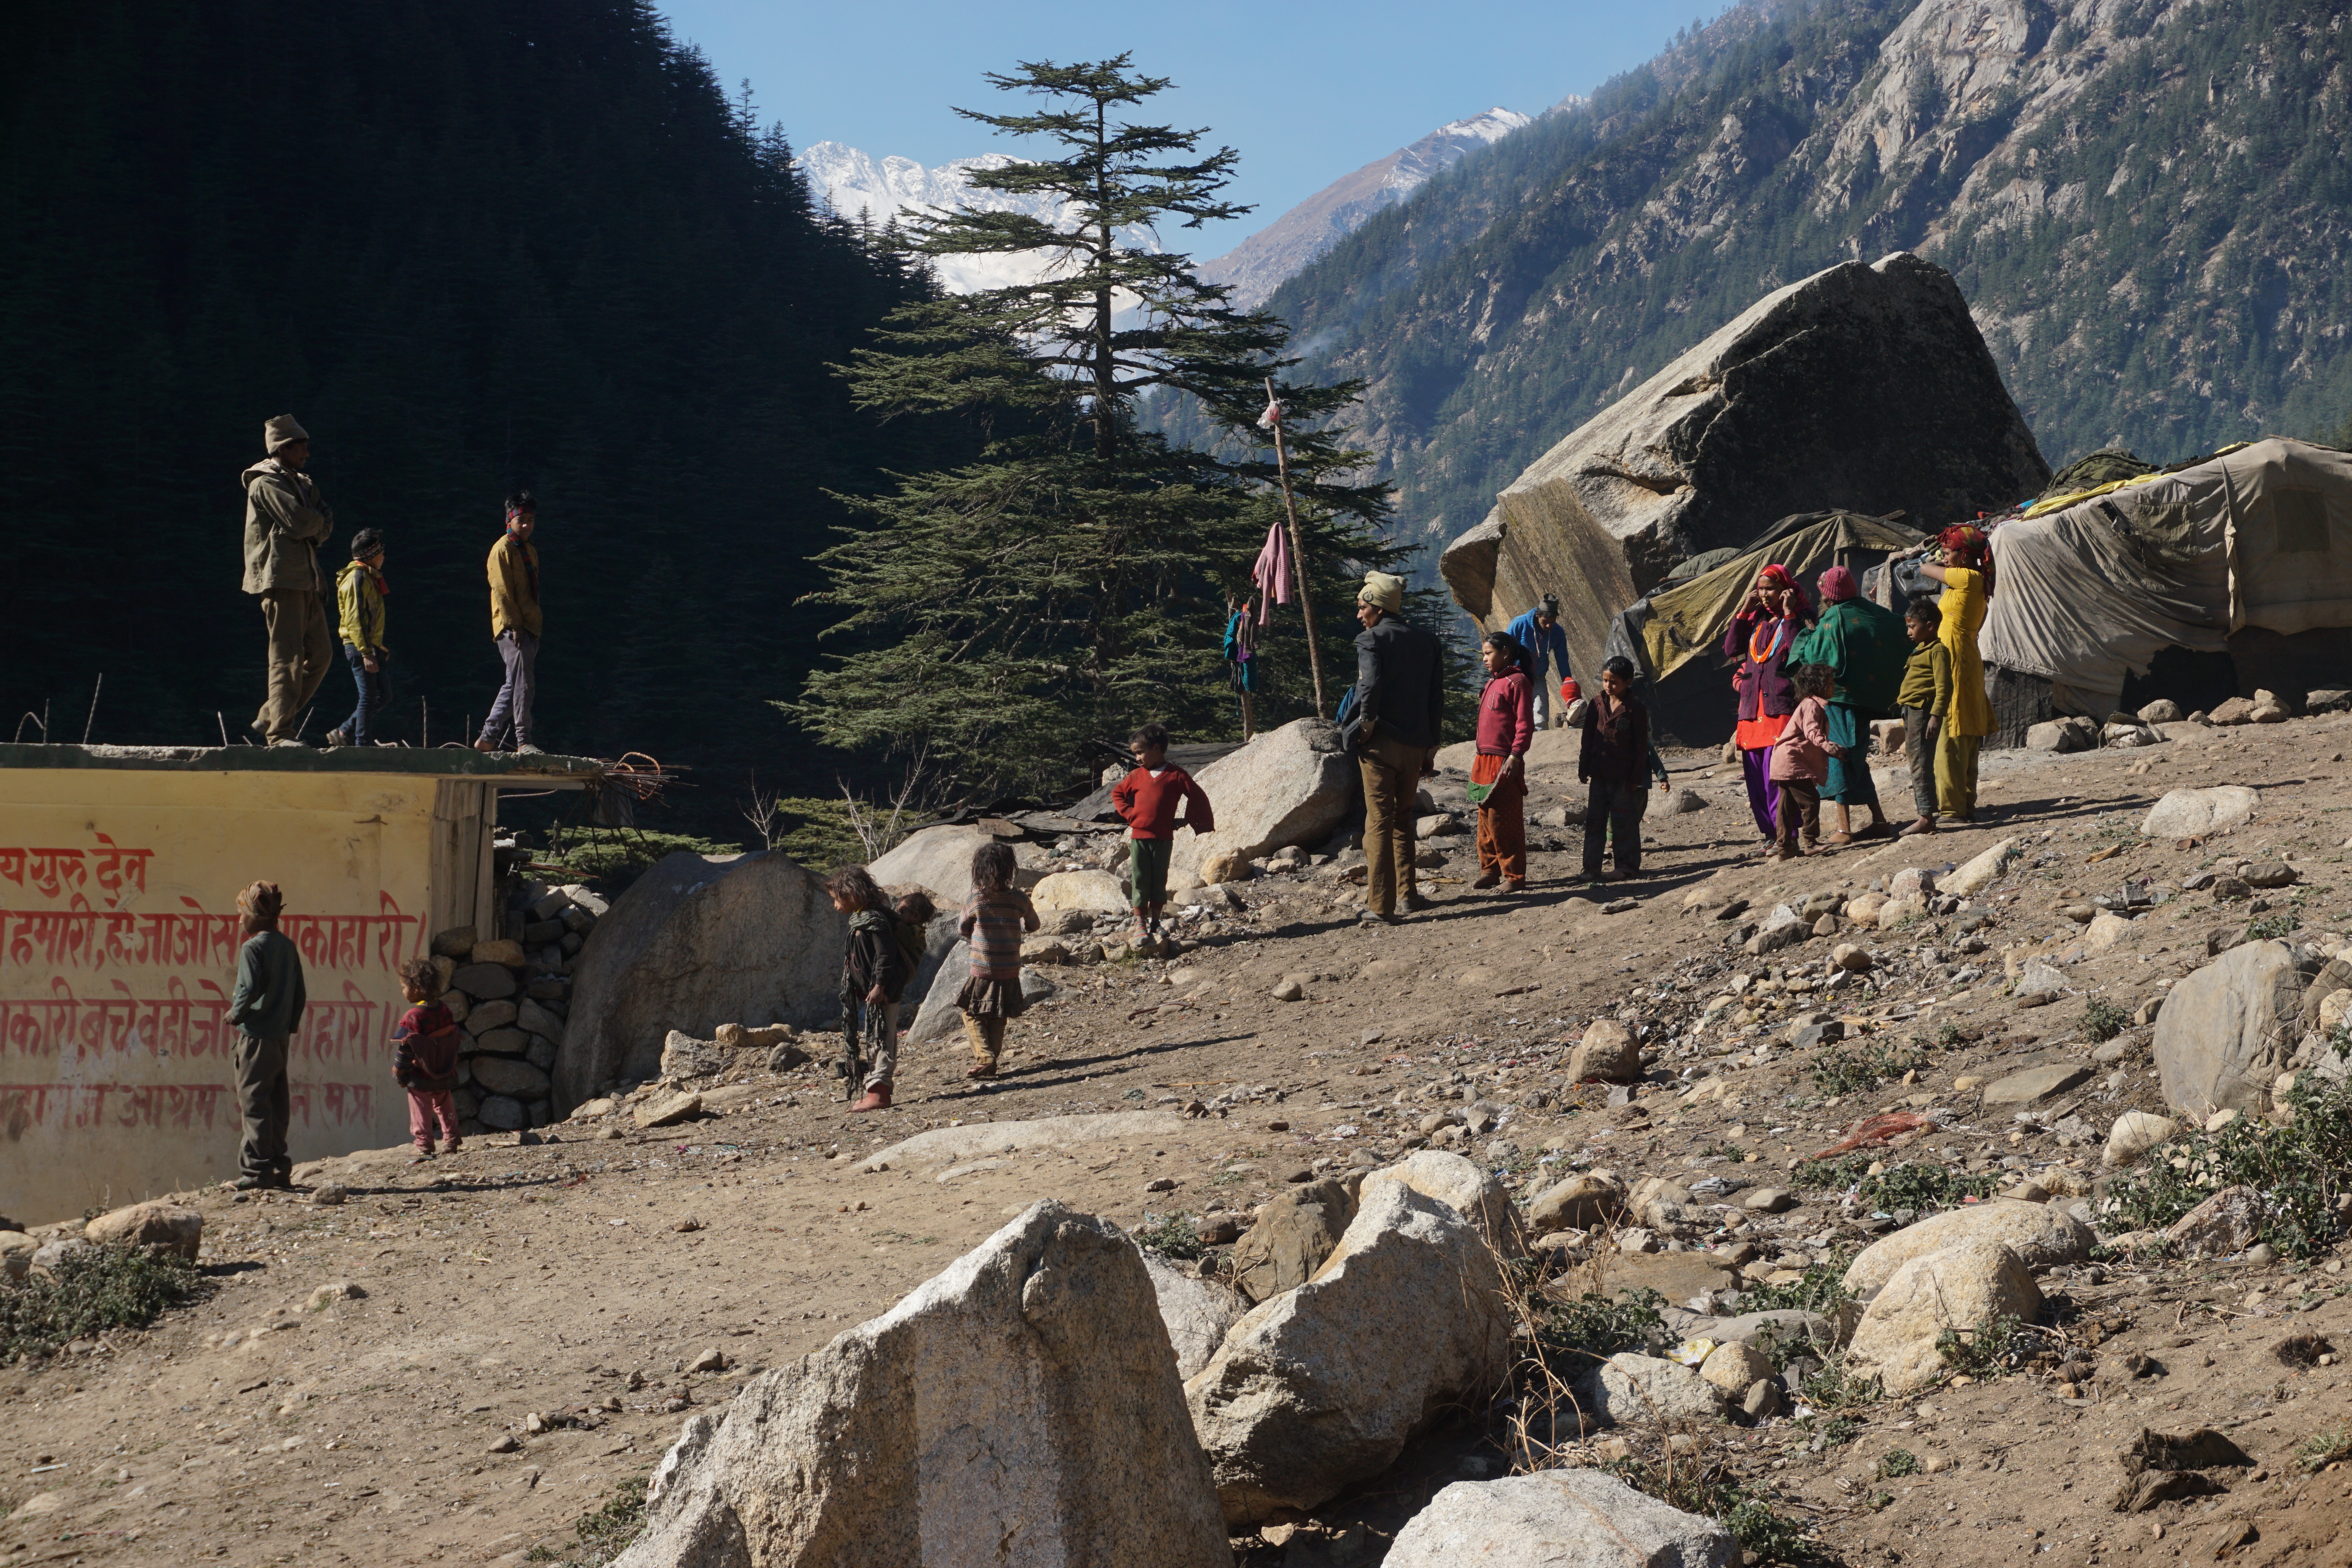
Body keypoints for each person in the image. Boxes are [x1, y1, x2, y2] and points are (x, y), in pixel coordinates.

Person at [1344, 571, 1446, 926]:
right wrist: (1432, 745)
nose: (1359, 615)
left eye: (1362, 607)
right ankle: (1408, 895)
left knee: (1379, 821)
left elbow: (1369, 686)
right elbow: (1436, 697)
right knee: (1403, 820)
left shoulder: (1371, 640)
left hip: (1381, 745)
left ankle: (1379, 905)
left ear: (1376, 606)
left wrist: (1367, 724)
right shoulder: (1428, 642)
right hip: (1417, 745)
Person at [1792, 564, 1909, 843]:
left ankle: (1843, 829)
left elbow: (1813, 656)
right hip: (1868, 699)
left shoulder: (1833, 618)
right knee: (1856, 758)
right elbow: (1899, 631)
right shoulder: (1875, 613)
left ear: (1827, 594)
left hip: (1840, 699)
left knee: (1840, 755)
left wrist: (1808, 634)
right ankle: (1879, 820)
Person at [241, 416, 336, 746]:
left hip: (308, 578)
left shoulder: (301, 483)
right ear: (283, 448)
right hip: (281, 578)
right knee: (287, 657)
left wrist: (314, 522)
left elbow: (326, 523)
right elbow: (300, 522)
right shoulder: (265, 483)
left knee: (321, 655)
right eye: (301, 446)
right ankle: (279, 732)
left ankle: (271, 714)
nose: (307, 453)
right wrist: (314, 520)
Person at [1724, 563, 1813, 845]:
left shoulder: (1802, 618)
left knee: (1777, 778)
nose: (1764, 594)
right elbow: (1730, 649)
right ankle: (1769, 835)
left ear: (1786, 589)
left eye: (1770, 588)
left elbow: (1799, 652)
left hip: (1780, 710)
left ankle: (1787, 834)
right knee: (1755, 781)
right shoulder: (1757, 621)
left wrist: (1788, 614)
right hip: (1751, 712)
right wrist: (1743, 611)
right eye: (1761, 589)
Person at [223, 880, 305, 1189]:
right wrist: (288, 1025)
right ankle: (279, 1169)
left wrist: (236, 1013)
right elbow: (300, 993)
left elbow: (247, 988)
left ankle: (256, 1174)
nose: (239, 920)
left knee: (254, 1103)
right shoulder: (287, 946)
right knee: (276, 1101)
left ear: (254, 914)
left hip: (256, 1037)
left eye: (240, 913)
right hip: (279, 1038)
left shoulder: (253, 947)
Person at [1916, 525, 1995, 824]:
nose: (1944, 558)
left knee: (1950, 733)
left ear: (1965, 554)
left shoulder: (1966, 577)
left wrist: (1922, 556)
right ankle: (1965, 803)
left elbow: (1925, 568)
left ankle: (1952, 809)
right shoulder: (1977, 581)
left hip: (1956, 659)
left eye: (1949, 553)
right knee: (1964, 732)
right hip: (1964, 655)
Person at [1111, 722, 1216, 945]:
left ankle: (1156, 922)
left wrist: (1188, 820)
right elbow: (1117, 793)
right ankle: (1140, 922)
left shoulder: (1176, 775)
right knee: (1140, 879)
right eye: (1135, 754)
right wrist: (1130, 814)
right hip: (1139, 837)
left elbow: (1197, 796)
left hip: (1164, 838)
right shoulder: (1137, 776)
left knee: (1159, 880)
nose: (1137, 758)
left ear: (1157, 749)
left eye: (1140, 752)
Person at [1578, 655, 1668, 881]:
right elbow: (1587, 737)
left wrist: (1636, 777)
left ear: (1628, 682)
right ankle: (1591, 868)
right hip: (1599, 774)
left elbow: (1641, 747)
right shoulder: (1596, 704)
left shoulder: (1635, 709)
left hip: (1624, 777)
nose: (1609, 686)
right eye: (1606, 680)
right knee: (1595, 822)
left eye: (1614, 682)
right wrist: (1584, 766)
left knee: (1624, 823)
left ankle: (1626, 867)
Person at [830, 866, 910, 1113]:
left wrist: (879, 986)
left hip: (884, 991)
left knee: (883, 1039)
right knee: (875, 1038)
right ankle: (875, 1090)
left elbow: (886, 956)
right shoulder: (862, 919)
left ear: (851, 894)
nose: (835, 905)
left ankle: (880, 1093)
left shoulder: (875, 920)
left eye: (836, 899)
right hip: (873, 992)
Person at [957, 842, 1039, 1081]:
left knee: (971, 1013)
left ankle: (985, 1058)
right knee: (998, 1013)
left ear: (979, 871)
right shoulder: (1019, 898)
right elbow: (1035, 925)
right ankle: (991, 1063)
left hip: (983, 967)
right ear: (1009, 869)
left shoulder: (976, 898)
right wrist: (1021, 924)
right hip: (1010, 967)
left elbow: (962, 928)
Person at [475, 492, 543, 755]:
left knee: (514, 683)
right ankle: (523, 740)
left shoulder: (529, 550)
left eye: (530, 520)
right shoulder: (502, 549)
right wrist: (515, 625)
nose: (526, 525)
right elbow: (502, 592)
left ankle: (488, 737)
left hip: (529, 624)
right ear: (509, 520)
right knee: (525, 683)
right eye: (521, 520)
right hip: (512, 627)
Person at [1471, 632, 1533, 892]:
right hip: (1482, 760)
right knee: (1484, 818)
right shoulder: (1492, 683)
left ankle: (1515, 876)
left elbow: (1524, 725)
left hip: (1504, 761)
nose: (1484, 659)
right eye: (1483, 654)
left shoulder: (1517, 682)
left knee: (1503, 819)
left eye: (1489, 653)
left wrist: (1516, 755)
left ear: (1506, 653)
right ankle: (1490, 869)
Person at [1768, 664, 1844, 860]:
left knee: (1786, 807)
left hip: (1784, 759)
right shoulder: (1812, 705)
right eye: (1829, 683)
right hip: (1793, 760)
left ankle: (1785, 848)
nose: (1832, 687)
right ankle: (1810, 842)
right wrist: (1828, 746)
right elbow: (1812, 731)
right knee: (1810, 801)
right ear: (1817, 686)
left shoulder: (1809, 704)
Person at [390, 956, 462, 1160]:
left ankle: (424, 1144)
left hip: (421, 1074)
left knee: (420, 1106)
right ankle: (452, 1139)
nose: (403, 991)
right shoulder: (444, 1010)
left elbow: (407, 1047)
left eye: (404, 987)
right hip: (444, 1069)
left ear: (417, 988)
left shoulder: (413, 1017)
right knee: (444, 1102)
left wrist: (399, 1071)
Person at [327, 529, 390, 748]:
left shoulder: (368, 577)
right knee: (369, 696)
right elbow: (355, 619)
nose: (383, 557)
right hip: (358, 646)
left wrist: (377, 647)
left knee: (384, 695)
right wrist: (366, 652)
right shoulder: (358, 577)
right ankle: (362, 744)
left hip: (369, 645)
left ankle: (344, 731)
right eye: (381, 552)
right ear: (371, 554)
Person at [1896, 600, 1953, 836]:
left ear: (1930, 626)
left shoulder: (1937, 651)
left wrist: (1935, 716)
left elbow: (1945, 686)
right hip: (1912, 712)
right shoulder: (1922, 649)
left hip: (1923, 712)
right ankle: (1926, 814)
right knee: (1916, 761)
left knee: (1921, 764)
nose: (1909, 632)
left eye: (1912, 626)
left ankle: (1926, 817)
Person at [1505, 593, 1573, 730]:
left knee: (1541, 721)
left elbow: (1562, 660)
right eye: (1545, 621)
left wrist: (1570, 686)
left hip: (1539, 679)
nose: (1548, 625)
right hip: (1517, 679)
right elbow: (1504, 650)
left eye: (1552, 622)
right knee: (1514, 719)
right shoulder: (1520, 624)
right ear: (1538, 615)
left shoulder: (1558, 633)